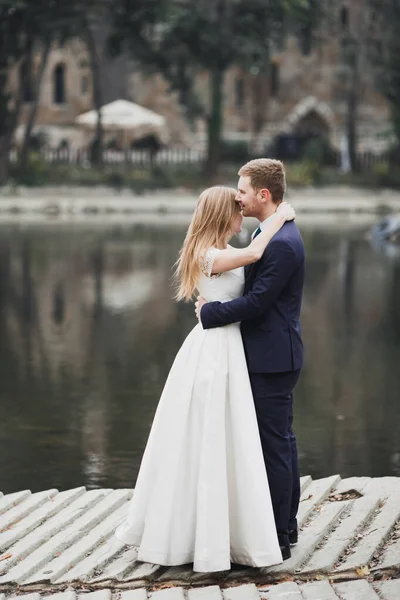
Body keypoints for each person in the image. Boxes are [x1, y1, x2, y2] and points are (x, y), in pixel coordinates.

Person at [115, 185, 295, 572]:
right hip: (214, 350)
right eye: (236, 208)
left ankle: (231, 532)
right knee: (209, 432)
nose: (242, 214)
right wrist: (279, 217)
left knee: (229, 436)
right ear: (221, 215)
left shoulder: (220, 249)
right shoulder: (208, 253)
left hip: (228, 343)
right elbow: (254, 254)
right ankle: (201, 535)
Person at [196, 159, 305, 561]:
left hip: (271, 358)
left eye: (242, 191)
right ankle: (285, 527)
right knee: (281, 444)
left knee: (274, 446)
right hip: (269, 355)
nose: (237, 197)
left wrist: (208, 313)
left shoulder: (280, 243)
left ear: (262, 195)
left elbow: (258, 303)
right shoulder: (271, 234)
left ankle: (277, 535)